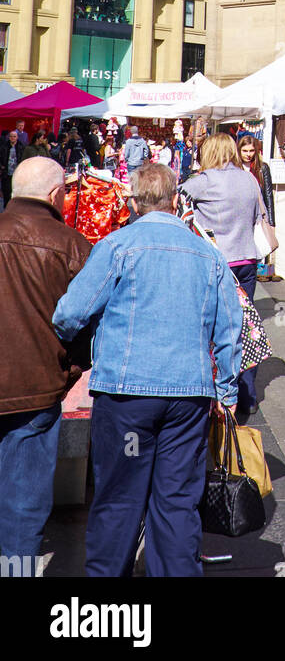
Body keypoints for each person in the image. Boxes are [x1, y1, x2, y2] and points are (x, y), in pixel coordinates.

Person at [53, 163, 243, 578]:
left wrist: (84, 345)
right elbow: (231, 328)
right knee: (176, 501)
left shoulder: (118, 245)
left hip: (127, 397)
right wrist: (226, 390)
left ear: (134, 202)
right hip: (188, 396)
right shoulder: (208, 255)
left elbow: (69, 313)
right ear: (175, 199)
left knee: (120, 496)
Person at [0, 157, 92, 565]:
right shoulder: (70, 243)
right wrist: (70, 368)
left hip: (35, 387)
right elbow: (87, 322)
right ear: (56, 194)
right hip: (35, 389)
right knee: (22, 505)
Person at [180, 134, 264, 420]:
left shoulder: (203, 181)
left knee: (213, 331)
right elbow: (258, 216)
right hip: (246, 260)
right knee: (242, 326)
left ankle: (216, 393)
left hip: (217, 262)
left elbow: (176, 199)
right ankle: (247, 393)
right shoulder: (249, 179)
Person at [238, 133, 277, 279]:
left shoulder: (262, 168)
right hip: (240, 216)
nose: (248, 154)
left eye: (251, 151)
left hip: (257, 216)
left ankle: (254, 274)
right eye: (245, 151)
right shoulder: (235, 168)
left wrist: (272, 222)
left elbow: (268, 195)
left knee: (257, 249)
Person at [0, 129, 21, 206]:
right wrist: (1, 166)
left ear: (17, 137)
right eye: (11, 136)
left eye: (14, 136)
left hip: (17, 174)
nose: (12, 138)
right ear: (9, 137)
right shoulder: (3, 147)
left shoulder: (21, 147)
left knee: (16, 192)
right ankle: (6, 208)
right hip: (6, 173)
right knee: (6, 192)